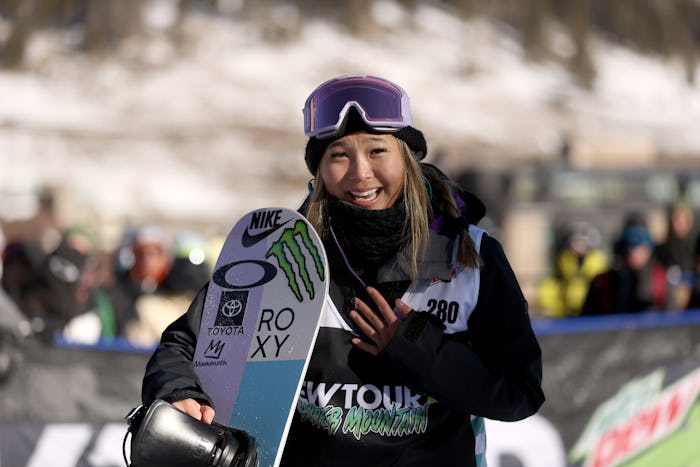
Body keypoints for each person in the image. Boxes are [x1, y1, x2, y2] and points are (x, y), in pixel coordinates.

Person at [140, 74, 544, 466]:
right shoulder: (280, 256)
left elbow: (518, 392)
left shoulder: (470, 256)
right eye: (339, 155)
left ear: (406, 158)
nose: (360, 173)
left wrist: (416, 345)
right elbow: (184, 346)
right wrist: (180, 393)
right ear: (318, 172)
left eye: (376, 151)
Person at [581, 217, 670, 315]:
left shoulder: (661, 279)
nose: (633, 252)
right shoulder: (603, 282)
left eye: (639, 245)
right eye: (629, 245)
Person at [537, 221, 608, 317]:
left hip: (592, 313)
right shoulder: (564, 260)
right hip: (566, 314)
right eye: (574, 241)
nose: (576, 246)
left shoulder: (597, 260)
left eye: (580, 242)